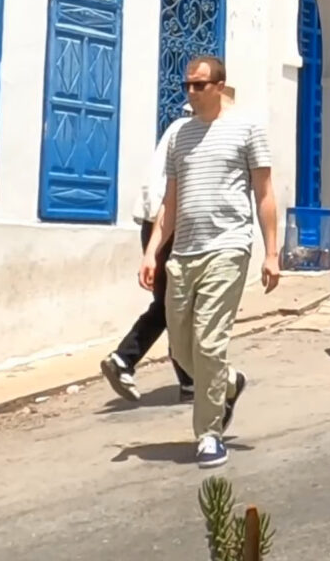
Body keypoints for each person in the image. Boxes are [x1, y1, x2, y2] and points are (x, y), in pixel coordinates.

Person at [139, 56, 279, 469]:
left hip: (229, 247)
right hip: (184, 252)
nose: (191, 92)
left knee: (208, 341)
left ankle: (208, 434)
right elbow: (171, 201)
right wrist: (152, 251)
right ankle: (229, 383)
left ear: (219, 86)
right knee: (181, 349)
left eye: (200, 85)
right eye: (187, 85)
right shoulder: (180, 136)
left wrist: (271, 252)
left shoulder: (247, 129)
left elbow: (265, 194)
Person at [98, 117, 193, 404]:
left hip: (154, 224)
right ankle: (125, 358)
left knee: (173, 304)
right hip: (169, 225)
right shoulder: (191, 133)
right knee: (176, 305)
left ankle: (188, 381)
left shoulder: (175, 130)